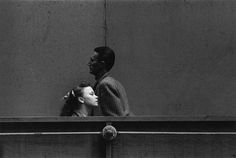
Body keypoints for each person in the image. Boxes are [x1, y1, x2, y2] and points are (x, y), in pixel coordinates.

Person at [88, 46, 132, 116]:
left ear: (102, 64)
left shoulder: (105, 85)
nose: (89, 63)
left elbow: (116, 119)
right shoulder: (115, 83)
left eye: (92, 60)